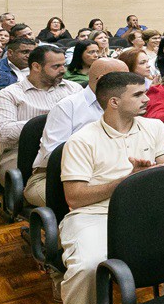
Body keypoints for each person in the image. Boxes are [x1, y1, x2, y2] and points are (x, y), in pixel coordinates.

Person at [47, 72, 164, 304]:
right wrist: (126, 181)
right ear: (114, 101)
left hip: (146, 211)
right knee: (88, 266)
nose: (147, 99)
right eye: (139, 94)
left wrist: (148, 179)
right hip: (94, 216)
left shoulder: (155, 127)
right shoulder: (82, 140)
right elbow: (74, 198)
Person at [27, 58, 128, 208]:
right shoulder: (68, 107)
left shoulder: (126, 104)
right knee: (103, 206)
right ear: (102, 81)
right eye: (123, 80)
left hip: (111, 174)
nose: (129, 84)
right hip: (54, 178)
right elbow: (52, 155)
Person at [0, 45, 82, 193]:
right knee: (59, 191)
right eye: (56, 66)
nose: (63, 70)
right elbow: (2, 133)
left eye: (64, 65)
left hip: (67, 147)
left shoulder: (74, 89)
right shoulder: (8, 95)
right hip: (19, 153)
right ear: (36, 67)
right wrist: (49, 122)